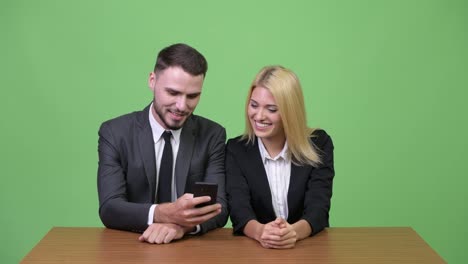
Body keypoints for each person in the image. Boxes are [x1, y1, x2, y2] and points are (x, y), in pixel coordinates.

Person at [97, 43, 228, 244]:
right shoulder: (115, 133)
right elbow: (110, 208)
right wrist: (164, 213)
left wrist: (180, 226)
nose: (182, 106)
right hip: (131, 246)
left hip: (190, 250)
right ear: (152, 81)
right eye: (173, 93)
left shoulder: (212, 135)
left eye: (192, 96)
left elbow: (219, 207)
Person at [226, 65, 335, 249]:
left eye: (271, 109)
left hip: (307, 249)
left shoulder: (319, 143)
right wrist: (262, 232)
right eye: (253, 105)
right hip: (255, 251)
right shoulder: (236, 149)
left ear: (290, 111)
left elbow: (318, 208)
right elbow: (239, 211)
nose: (259, 116)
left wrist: (292, 233)